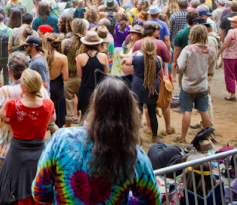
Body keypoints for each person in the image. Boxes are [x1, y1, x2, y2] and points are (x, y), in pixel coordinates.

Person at [32, 77, 159, 205]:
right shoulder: (134, 154)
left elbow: (39, 192)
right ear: (130, 110)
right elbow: (152, 200)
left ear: (94, 103)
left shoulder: (61, 140)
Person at [0, 69, 55, 205]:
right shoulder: (48, 105)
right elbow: (53, 118)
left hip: (17, 155)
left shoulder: (13, 105)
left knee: (14, 191)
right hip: (39, 153)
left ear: (24, 87)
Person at [175, 25, 215, 143]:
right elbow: (210, 64)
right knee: (203, 110)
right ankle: (206, 136)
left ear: (193, 35)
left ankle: (183, 136)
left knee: (187, 111)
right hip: (202, 85)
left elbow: (181, 66)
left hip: (188, 85)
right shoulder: (210, 50)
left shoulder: (188, 49)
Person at [124, 38, 162, 142]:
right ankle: (155, 136)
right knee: (152, 113)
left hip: (138, 88)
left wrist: (134, 53)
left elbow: (127, 62)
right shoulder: (158, 59)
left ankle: (134, 135)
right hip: (152, 88)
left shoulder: (137, 58)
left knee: (136, 113)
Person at [75, 31, 109, 120]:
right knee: (100, 114)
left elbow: (80, 76)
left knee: (84, 114)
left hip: (85, 88)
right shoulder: (104, 56)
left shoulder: (80, 57)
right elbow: (106, 74)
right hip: (99, 89)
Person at [217, 15, 237, 101]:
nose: (231, 23)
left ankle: (232, 94)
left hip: (230, 56)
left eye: (232, 21)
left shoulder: (231, 32)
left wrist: (219, 52)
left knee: (229, 75)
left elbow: (226, 44)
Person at [61, 19, 85, 126]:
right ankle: (82, 128)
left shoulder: (66, 43)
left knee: (68, 107)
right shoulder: (87, 43)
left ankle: (67, 128)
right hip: (83, 78)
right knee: (84, 107)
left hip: (67, 78)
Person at [43, 33, 68, 129]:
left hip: (45, 87)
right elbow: (66, 78)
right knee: (58, 121)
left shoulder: (42, 56)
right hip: (58, 88)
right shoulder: (63, 58)